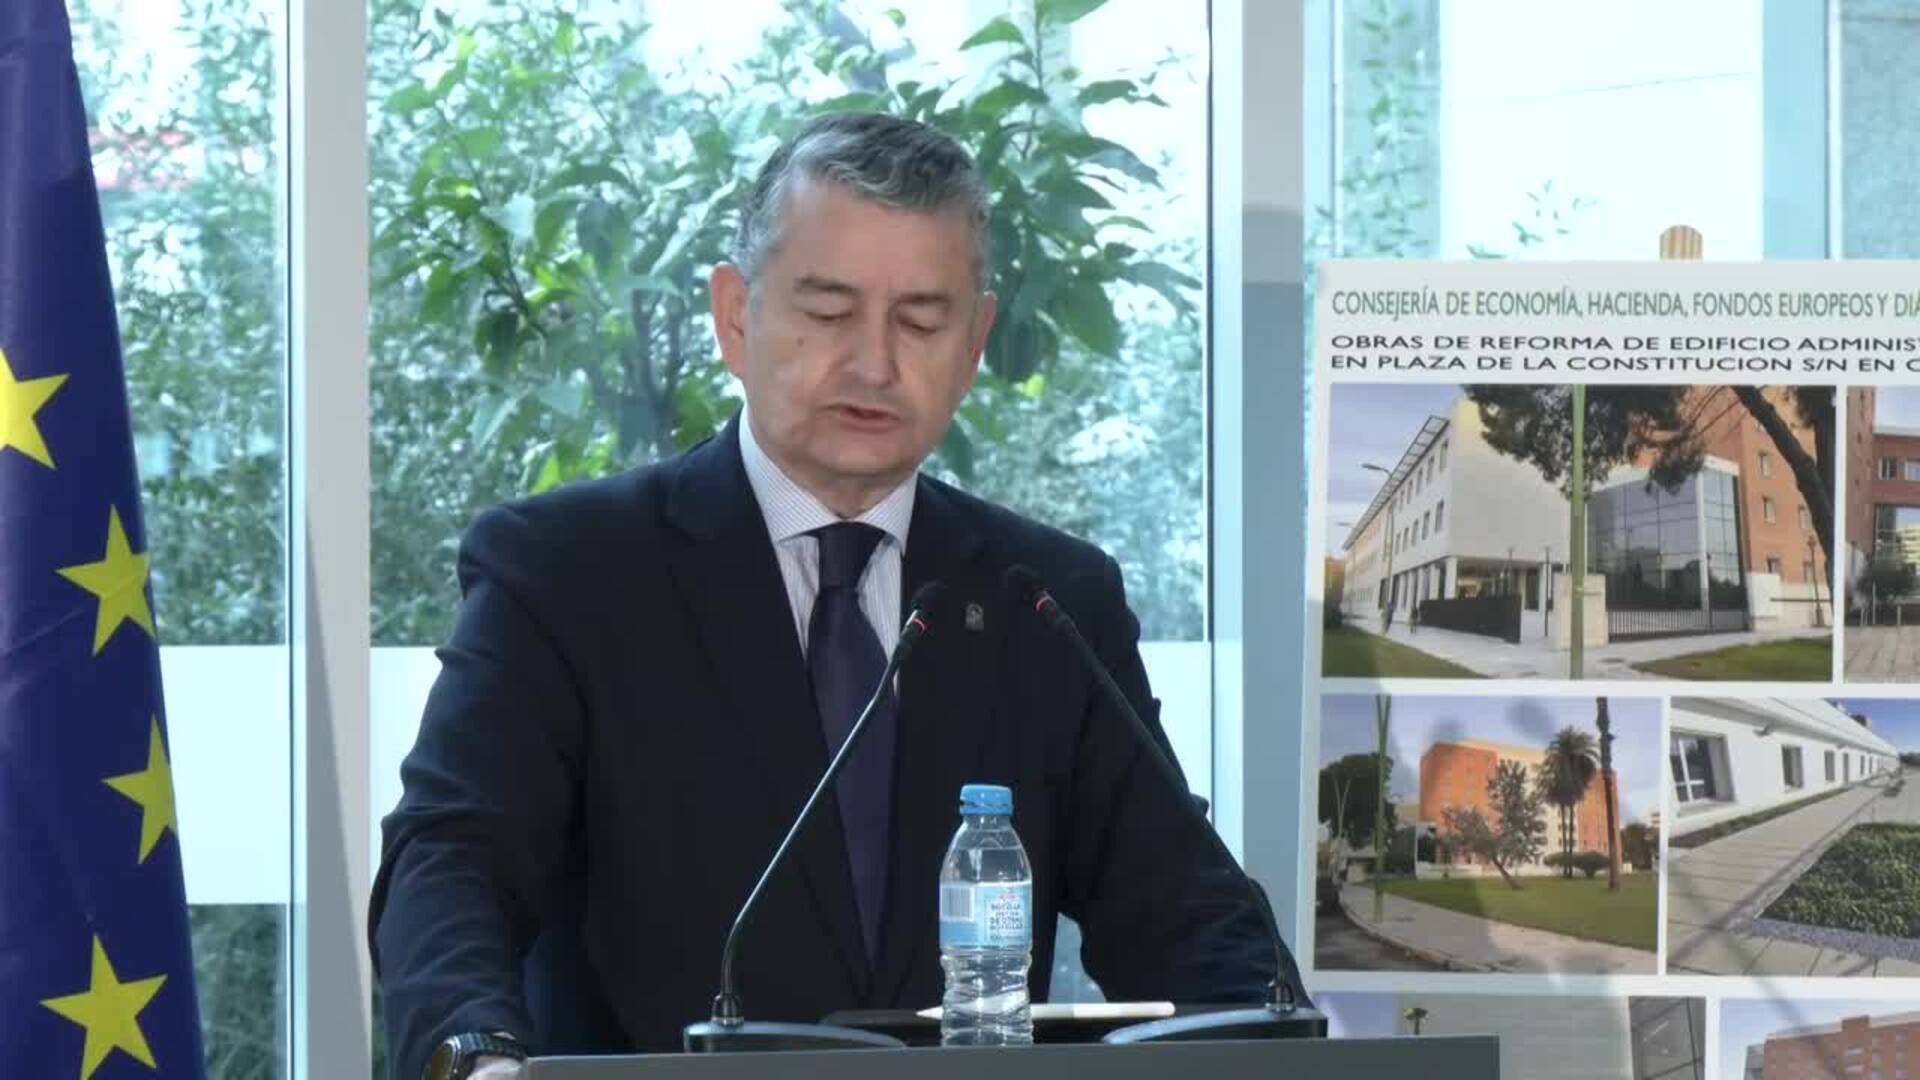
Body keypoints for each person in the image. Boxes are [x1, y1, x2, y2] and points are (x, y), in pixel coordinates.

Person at [369, 112, 1300, 1080]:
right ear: (736, 316)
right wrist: (476, 1056)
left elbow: (1189, 916)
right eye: (827, 313)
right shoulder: (567, 573)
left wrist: (1285, 1052)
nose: (874, 364)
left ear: (974, 343)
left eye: (921, 321)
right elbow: (450, 864)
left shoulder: (1046, 604)